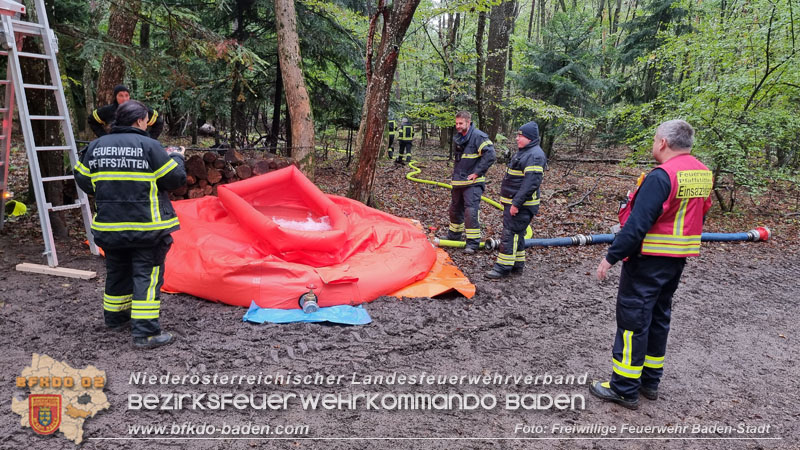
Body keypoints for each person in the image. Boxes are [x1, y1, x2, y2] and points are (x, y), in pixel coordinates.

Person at [590, 119, 713, 410]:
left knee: (633, 322)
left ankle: (623, 388)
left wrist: (611, 257)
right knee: (659, 318)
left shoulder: (661, 176)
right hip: (676, 260)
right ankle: (650, 381)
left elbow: (637, 225)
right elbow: (701, 213)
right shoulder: (703, 174)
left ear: (663, 143)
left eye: (655, 139)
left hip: (647, 261)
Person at [74, 100, 186, 349]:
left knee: (117, 273)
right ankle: (145, 333)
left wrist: (107, 191)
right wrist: (177, 156)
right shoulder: (149, 146)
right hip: (147, 229)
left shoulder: (96, 146)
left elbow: (82, 178)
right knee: (146, 275)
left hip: (109, 229)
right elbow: (176, 179)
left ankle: (115, 319)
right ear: (139, 121)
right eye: (146, 120)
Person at [485, 121, 545, 279]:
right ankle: (517, 265)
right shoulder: (525, 152)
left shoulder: (534, 155)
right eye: (517, 135)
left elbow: (531, 183)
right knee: (517, 233)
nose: (517, 138)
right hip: (514, 202)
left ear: (530, 138)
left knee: (510, 234)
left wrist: (516, 204)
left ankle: (503, 267)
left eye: (520, 135)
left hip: (522, 205)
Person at [446, 111, 496, 253]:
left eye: (461, 123)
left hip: (473, 184)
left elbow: (490, 154)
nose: (458, 126)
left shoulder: (478, 136)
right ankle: (454, 236)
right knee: (455, 209)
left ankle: (473, 243)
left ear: (469, 122)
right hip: (458, 182)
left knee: (471, 212)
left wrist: (477, 172)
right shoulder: (460, 137)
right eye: (456, 123)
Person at [88, 85, 164, 139]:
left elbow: (159, 122)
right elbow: (92, 120)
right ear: (115, 97)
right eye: (121, 96)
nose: (124, 99)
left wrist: (149, 138)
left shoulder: (138, 110)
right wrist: (104, 137)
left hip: (137, 145)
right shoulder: (108, 111)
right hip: (116, 146)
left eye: (126, 95)